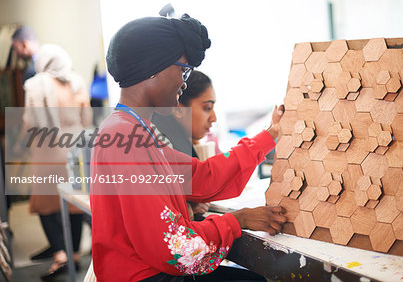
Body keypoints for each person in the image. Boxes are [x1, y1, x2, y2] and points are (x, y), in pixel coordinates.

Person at [90, 14, 286, 281]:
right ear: (153, 68)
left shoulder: (134, 129)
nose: (184, 82)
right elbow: (174, 247)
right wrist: (237, 220)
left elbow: (201, 177)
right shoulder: (124, 136)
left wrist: (269, 135)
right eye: (183, 70)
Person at [22, 44, 92, 279]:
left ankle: (60, 254)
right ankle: (73, 254)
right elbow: (87, 118)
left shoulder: (35, 84)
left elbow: (29, 121)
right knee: (73, 203)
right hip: (75, 151)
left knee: (45, 205)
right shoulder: (77, 82)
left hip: (47, 151)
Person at [152, 70, 217, 220]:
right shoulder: (167, 147)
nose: (214, 118)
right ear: (179, 109)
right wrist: (187, 207)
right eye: (207, 108)